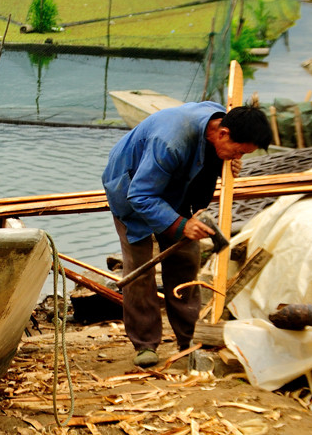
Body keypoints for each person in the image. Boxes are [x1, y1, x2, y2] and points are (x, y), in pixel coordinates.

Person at [101, 102, 272, 367]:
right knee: (140, 268)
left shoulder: (219, 119)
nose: (238, 157)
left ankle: (188, 338)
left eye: (243, 155)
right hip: (132, 186)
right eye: (238, 152)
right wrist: (181, 225)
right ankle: (145, 344)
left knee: (185, 261)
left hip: (176, 185)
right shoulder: (169, 142)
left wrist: (226, 162)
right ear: (223, 134)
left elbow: (208, 158)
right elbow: (141, 195)